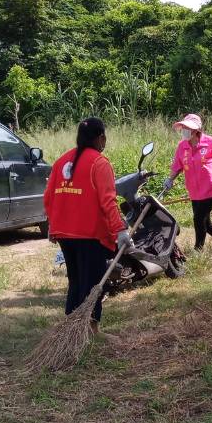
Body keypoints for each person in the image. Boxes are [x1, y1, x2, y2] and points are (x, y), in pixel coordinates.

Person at [43, 117, 131, 332]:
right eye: (104, 137)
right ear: (101, 137)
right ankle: (91, 330)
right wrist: (120, 230)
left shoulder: (61, 161)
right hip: (90, 234)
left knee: (75, 280)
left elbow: (48, 197)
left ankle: (70, 328)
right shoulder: (99, 163)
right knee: (93, 284)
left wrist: (53, 226)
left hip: (65, 234)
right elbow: (108, 201)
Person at [164, 113, 212, 253]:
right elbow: (177, 166)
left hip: (211, 187)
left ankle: (198, 250)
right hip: (194, 191)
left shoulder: (210, 142)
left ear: (196, 130)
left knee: (198, 219)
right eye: (183, 128)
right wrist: (170, 179)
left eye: (188, 128)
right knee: (205, 222)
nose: (184, 131)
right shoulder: (182, 146)